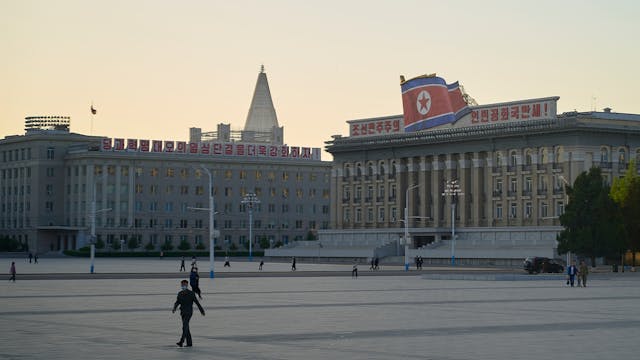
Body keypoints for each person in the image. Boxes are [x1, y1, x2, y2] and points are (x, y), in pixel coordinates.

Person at [172, 279, 205, 347]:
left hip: (189, 312)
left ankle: (181, 341)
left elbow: (197, 302)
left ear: (187, 285)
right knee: (186, 327)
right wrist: (174, 308)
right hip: (182, 312)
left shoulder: (191, 293)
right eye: (182, 285)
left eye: (184, 285)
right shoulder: (180, 293)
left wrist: (201, 310)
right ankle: (189, 343)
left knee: (184, 326)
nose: (183, 286)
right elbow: (177, 302)